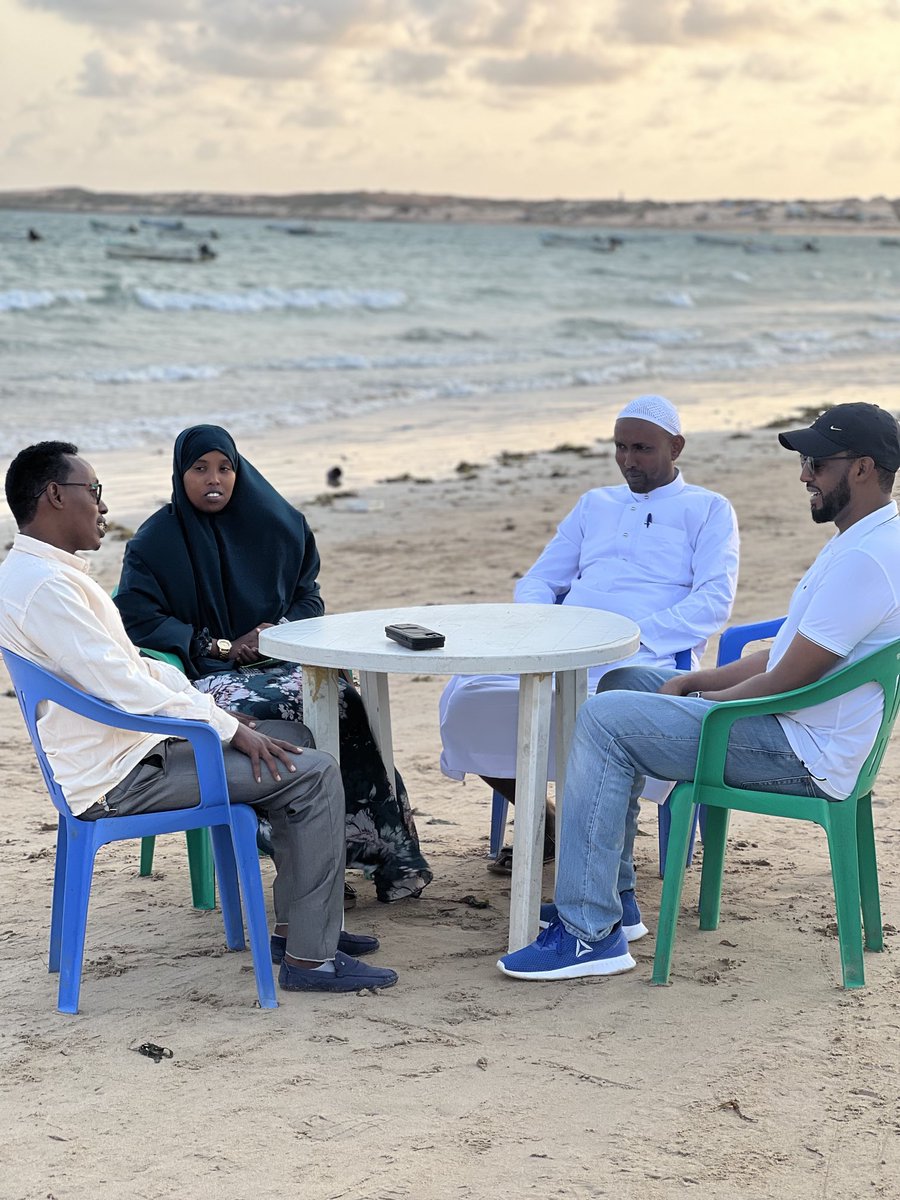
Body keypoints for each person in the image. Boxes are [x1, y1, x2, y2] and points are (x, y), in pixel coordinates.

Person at [497, 402, 900, 981]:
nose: (803, 475)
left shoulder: (867, 559)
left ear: (861, 469)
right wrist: (695, 680)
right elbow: (789, 653)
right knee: (624, 682)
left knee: (605, 719)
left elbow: (791, 678)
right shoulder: (859, 541)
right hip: (793, 725)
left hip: (800, 752)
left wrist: (704, 705)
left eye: (815, 462)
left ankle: (589, 934)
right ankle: (616, 902)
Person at [0, 442, 398, 993]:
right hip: (122, 776)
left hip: (129, 750)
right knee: (313, 772)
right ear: (54, 496)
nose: (102, 506)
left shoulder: (39, 574)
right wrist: (228, 727)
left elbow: (133, 668)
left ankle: (296, 928)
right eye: (93, 492)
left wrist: (215, 714)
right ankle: (311, 960)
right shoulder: (46, 588)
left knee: (291, 736)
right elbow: (125, 689)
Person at [113, 425, 432, 904]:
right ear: (180, 475)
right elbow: (137, 617)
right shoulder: (155, 542)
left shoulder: (277, 523)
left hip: (281, 658)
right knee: (280, 713)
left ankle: (388, 856)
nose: (213, 479)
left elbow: (309, 597)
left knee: (343, 702)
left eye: (224, 468)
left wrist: (274, 631)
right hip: (208, 676)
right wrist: (221, 647)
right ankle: (310, 865)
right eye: (199, 469)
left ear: (239, 472)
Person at [439, 394, 739, 871]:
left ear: (676, 447)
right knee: (470, 698)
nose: (628, 460)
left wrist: (632, 636)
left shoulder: (708, 509)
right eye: (620, 447)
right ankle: (546, 819)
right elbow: (539, 580)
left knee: (602, 719)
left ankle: (592, 840)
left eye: (641, 448)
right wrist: (545, 623)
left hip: (646, 659)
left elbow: (712, 602)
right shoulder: (594, 504)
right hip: (565, 648)